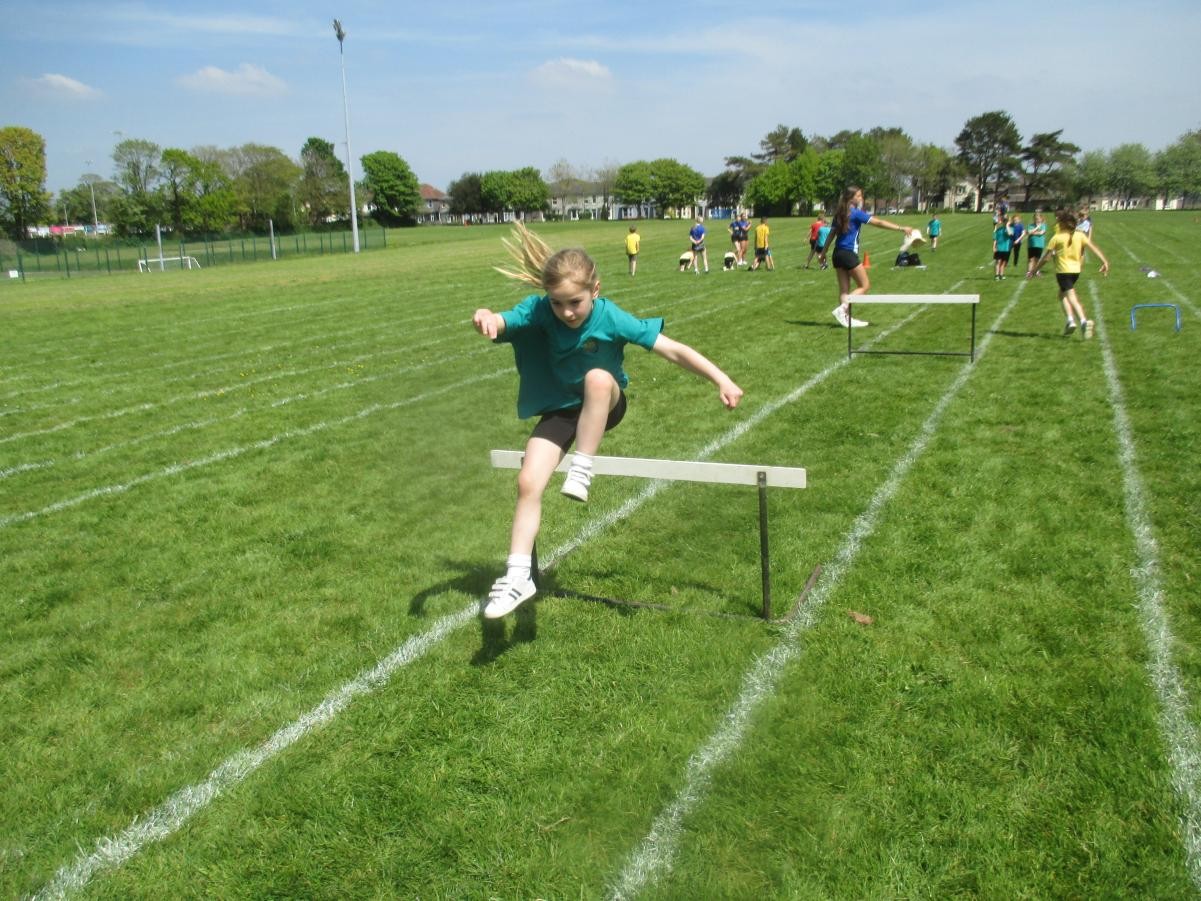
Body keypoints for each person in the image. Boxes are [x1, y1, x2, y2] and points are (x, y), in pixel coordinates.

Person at [472, 223, 744, 618]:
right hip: (563, 409)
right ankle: (518, 577)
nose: (566, 312)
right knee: (528, 480)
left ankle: (583, 466)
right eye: (557, 304)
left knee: (598, 378)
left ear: (594, 290)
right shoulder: (538, 310)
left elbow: (672, 350)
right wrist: (484, 317)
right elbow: (501, 321)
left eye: (575, 303)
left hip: (606, 404)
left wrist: (721, 378)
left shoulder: (610, 316)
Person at [822, 186, 916, 327]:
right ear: (851, 198)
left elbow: (831, 235)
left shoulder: (839, 214)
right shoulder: (856, 213)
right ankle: (842, 310)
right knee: (864, 285)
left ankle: (845, 319)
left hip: (837, 254)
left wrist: (823, 253)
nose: (861, 198)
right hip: (848, 254)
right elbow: (879, 222)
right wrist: (901, 228)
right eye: (858, 196)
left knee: (844, 290)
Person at [1028, 208, 1110, 338]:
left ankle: (1083, 321)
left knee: (1071, 295)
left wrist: (1034, 270)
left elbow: (1046, 258)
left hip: (1063, 272)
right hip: (1075, 272)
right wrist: (1104, 262)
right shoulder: (1080, 235)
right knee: (1062, 295)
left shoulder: (1057, 238)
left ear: (1063, 223)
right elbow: (1093, 248)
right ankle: (1070, 321)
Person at [1025, 212, 1047, 277]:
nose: (1037, 220)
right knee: (1031, 259)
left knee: (1037, 259)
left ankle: (1036, 271)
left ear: (1041, 219)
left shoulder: (1043, 225)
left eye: (1038, 219)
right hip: (1031, 244)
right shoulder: (1030, 225)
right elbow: (1029, 232)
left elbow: (1041, 233)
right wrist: (1037, 228)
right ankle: (1029, 272)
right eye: (1035, 219)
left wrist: (1033, 232)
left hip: (1039, 244)